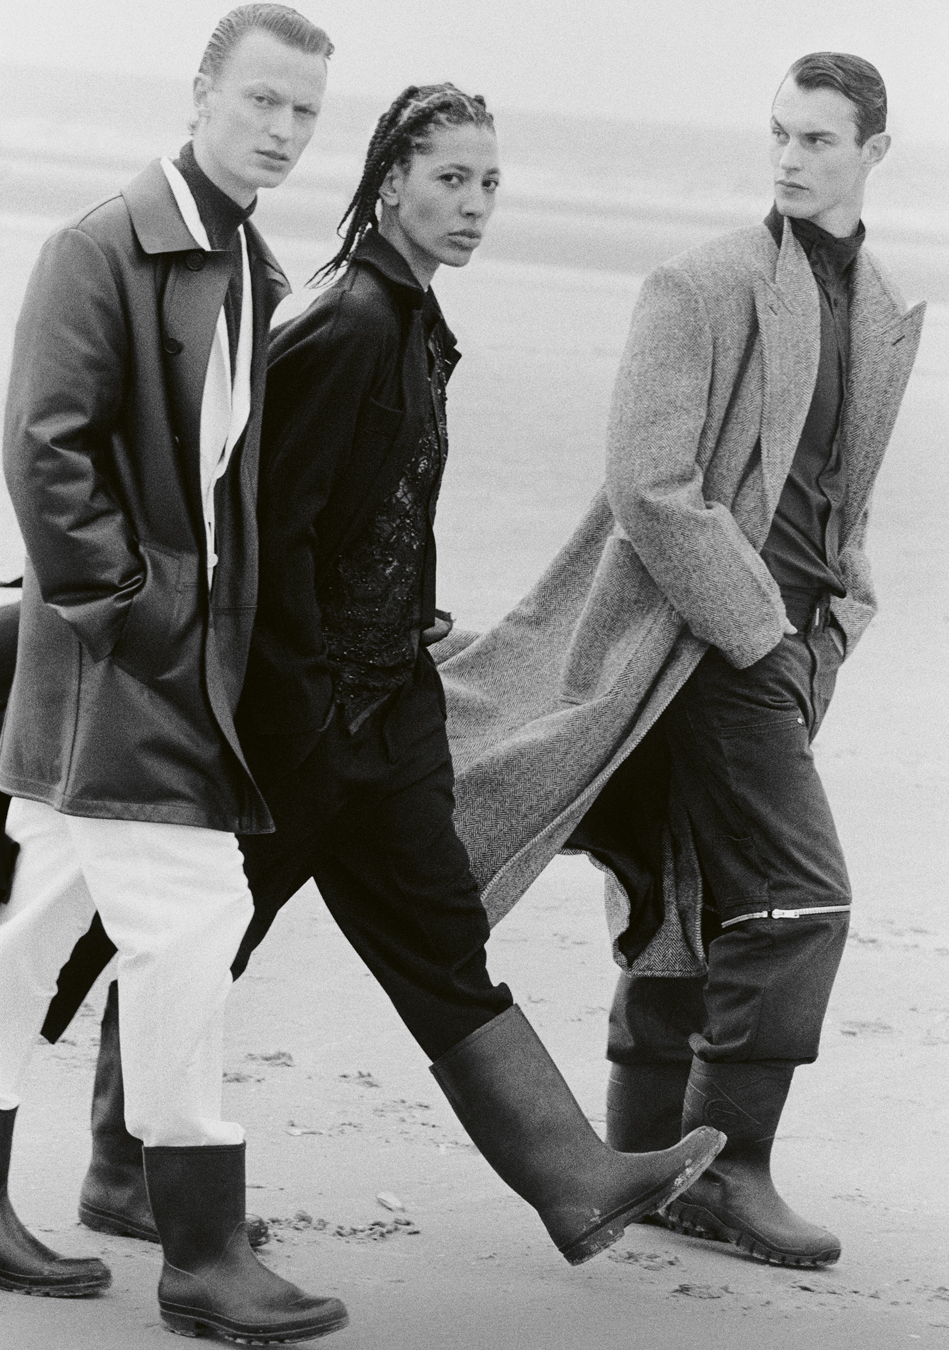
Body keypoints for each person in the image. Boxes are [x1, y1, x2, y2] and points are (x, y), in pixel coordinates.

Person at [38, 83, 724, 1271]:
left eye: (491, 183)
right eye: (451, 178)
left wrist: (408, 643)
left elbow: (376, 519)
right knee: (206, 940)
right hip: (305, 724)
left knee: (434, 934)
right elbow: (271, 534)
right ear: (391, 177)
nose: (474, 204)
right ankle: (119, 1167)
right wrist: (298, 716)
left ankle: (572, 1183)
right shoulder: (349, 318)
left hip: (382, 708)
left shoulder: (406, 315)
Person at [423, 52, 926, 1269]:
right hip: (702, 642)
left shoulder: (882, 304)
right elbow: (649, 488)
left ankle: (645, 1150)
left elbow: (837, 505)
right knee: (801, 898)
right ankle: (730, 1168)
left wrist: (839, 620)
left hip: (796, 648)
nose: (793, 159)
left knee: (681, 896)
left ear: (873, 153)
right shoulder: (701, 284)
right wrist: (761, 634)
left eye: (818, 140)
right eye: (780, 136)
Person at [0, 6, 350, 1342]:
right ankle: (199, 1248)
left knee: (30, 934)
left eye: (304, 112)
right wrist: (138, 616)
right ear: (200, 91)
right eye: (261, 99)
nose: (281, 128)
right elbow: (45, 452)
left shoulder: (244, 257)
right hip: (119, 669)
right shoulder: (102, 244)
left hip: (159, 666)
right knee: (195, 919)